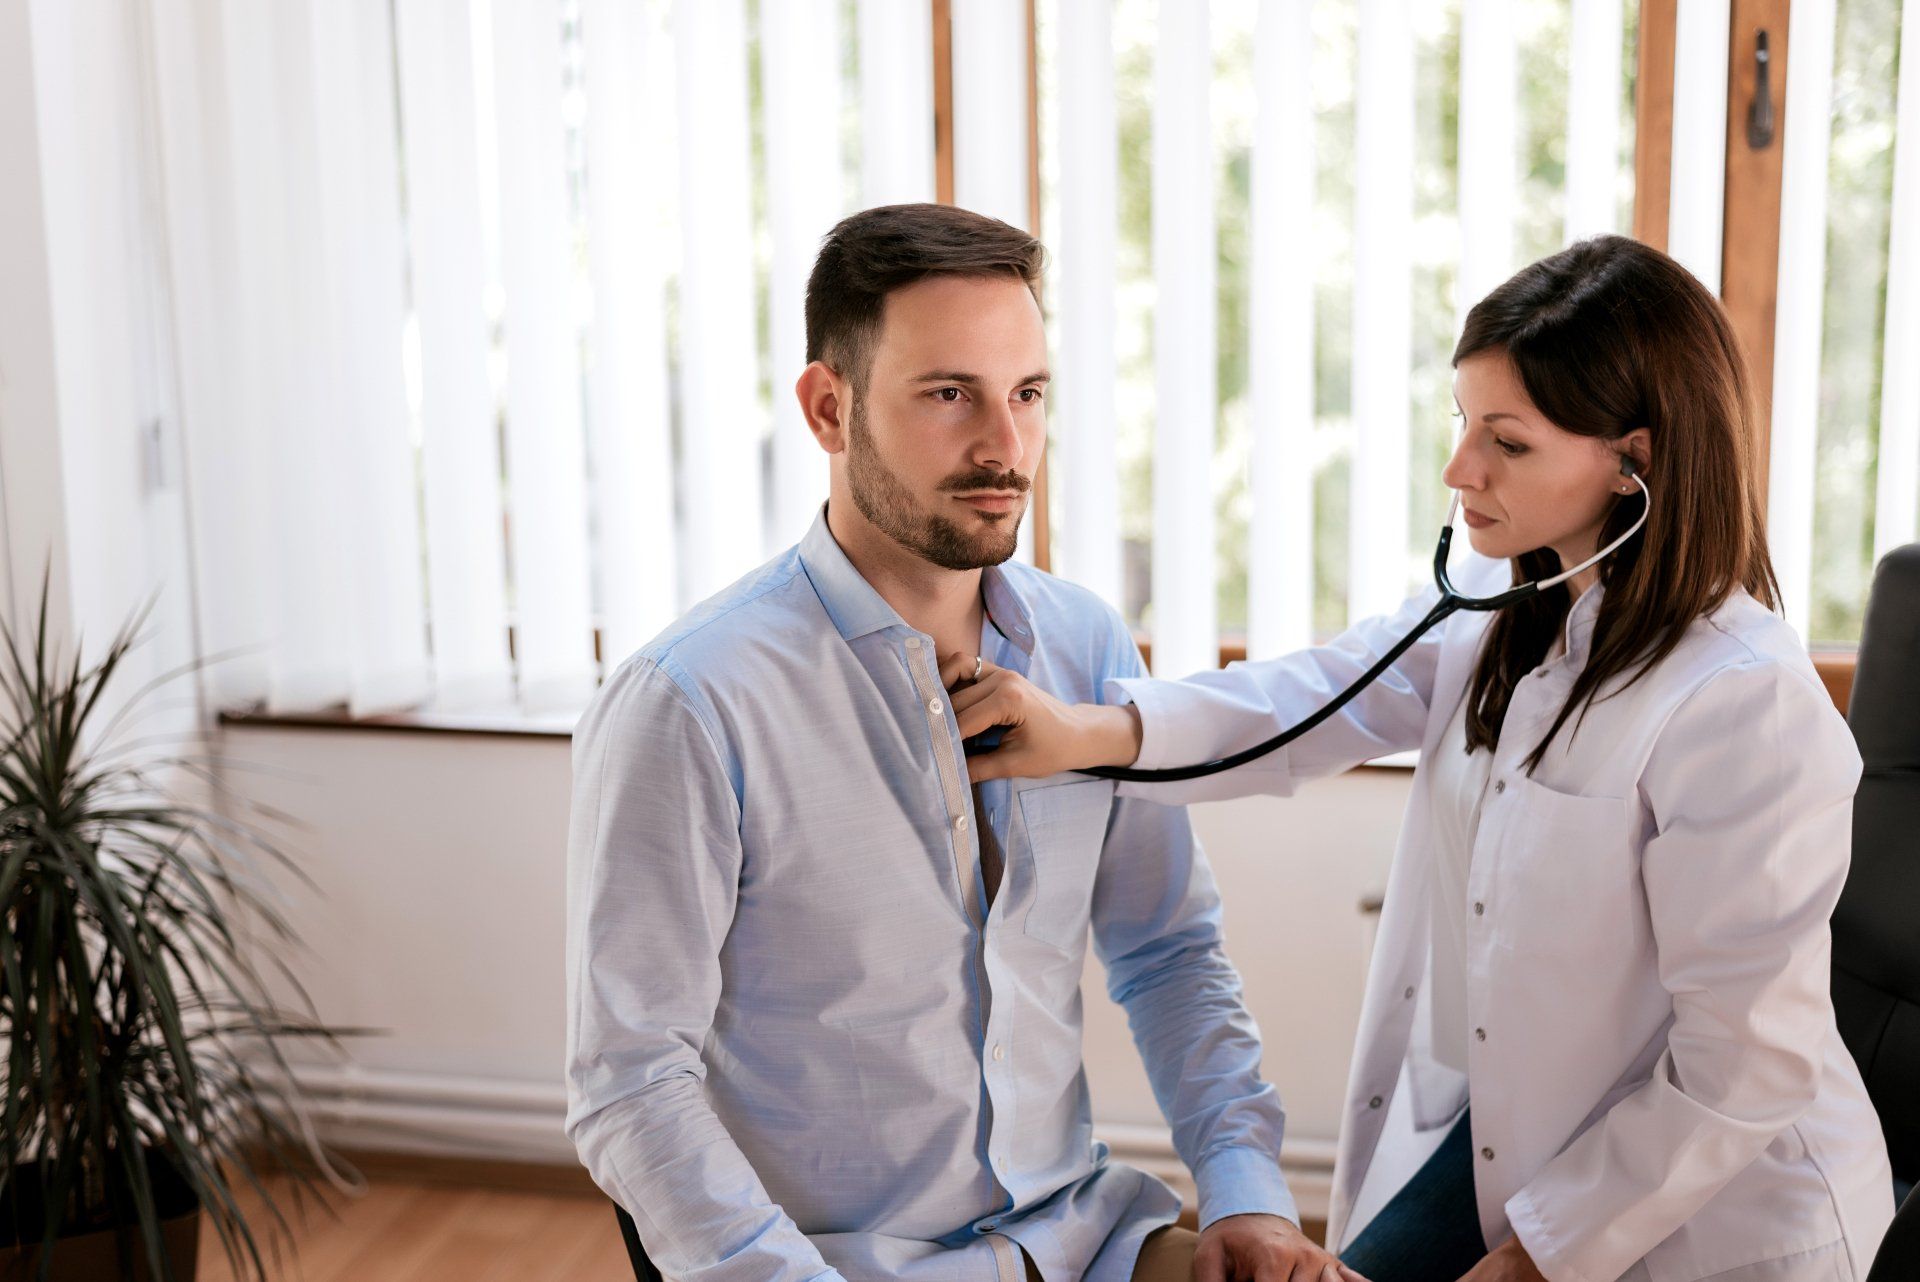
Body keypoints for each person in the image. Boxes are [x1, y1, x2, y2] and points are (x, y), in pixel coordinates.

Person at [945, 236, 1897, 1282]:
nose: (1459, 471)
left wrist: (1537, 1256)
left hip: (1713, 1210)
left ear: (1636, 462)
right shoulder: (1504, 623)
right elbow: (1305, 700)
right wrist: (1081, 733)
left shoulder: (1742, 701)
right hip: (1525, 1133)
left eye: (1509, 443)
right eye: (1463, 425)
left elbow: (1744, 1071)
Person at [564, 203, 1358, 1282]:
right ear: (828, 408)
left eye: (1028, 393)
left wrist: (1248, 1194)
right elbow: (630, 1078)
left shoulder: (1081, 642)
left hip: (1078, 1236)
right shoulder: (692, 700)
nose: (1005, 445)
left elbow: (1167, 949)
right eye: (950, 395)